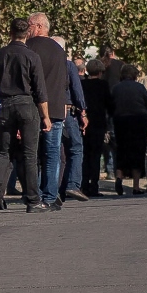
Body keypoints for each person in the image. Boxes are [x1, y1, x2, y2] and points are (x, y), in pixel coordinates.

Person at [0, 17, 52, 214]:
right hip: (26, 104)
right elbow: (40, 89)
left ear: (10, 33)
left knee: (4, 151)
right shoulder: (32, 56)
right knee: (30, 154)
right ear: (28, 33)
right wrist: (46, 116)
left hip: (4, 105)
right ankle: (33, 199)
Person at [27, 13, 70, 210]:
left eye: (29, 26)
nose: (28, 30)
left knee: (32, 153)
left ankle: (33, 195)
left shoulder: (29, 48)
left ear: (38, 26)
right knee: (52, 154)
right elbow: (65, 81)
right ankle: (50, 196)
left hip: (34, 108)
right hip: (56, 108)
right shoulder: (59, 50)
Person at [54, 36, 90, 203]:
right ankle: (73, 184)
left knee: (54, 152)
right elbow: (77, 90)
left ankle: (52, 189)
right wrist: (82, 112)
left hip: (47, 112)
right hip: (67, 111)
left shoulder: (42, 62)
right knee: (75, 147)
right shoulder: (68, 65)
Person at [111, 63, 147, 195]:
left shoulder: (116, 88)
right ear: (135, 75)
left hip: (120, 121)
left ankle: (119, 176)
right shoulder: (140, 87)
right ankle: (136, 186)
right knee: (137, 152)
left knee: (121, 150)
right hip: (138, 121)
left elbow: (111, 105)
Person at [81, 59, 111, 197]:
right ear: (100, 72)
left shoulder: (83, 84)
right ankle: (94, 186)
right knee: (95, 155)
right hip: (98, 122)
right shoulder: (103, 85)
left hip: (84, 123)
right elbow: (109, 104)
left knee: (85, 155)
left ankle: (84, 185)